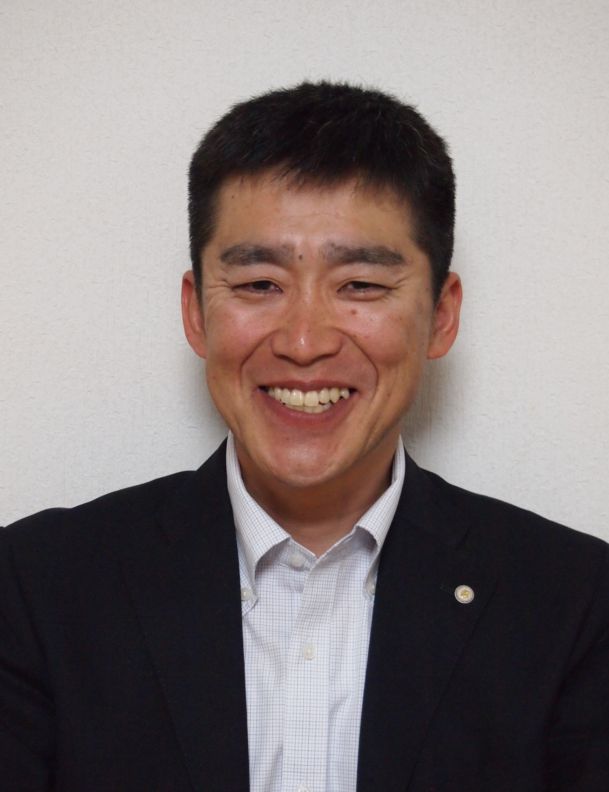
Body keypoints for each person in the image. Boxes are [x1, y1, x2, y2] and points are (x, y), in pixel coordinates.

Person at [1, 81, 608, 792]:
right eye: (259, 284)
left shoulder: (574, 603)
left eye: (361, 286)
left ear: (441, 316)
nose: (303, 341)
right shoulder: (35, 589)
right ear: (196, 313)